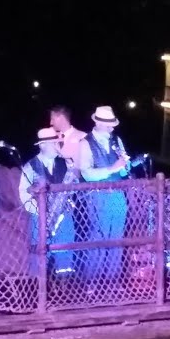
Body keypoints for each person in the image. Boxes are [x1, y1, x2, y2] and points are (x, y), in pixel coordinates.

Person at [76, 106, 132, 280]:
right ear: (98, 123)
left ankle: (112, 281)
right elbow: (86, 173)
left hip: (117, 195)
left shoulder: (117, 141)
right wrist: (111, 168)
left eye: (112, 124)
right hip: (98, 195)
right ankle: (94, 281)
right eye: (109, 124)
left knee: (116, 239)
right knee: (98, 238)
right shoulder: (85, 143)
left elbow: (123, 172)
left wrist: (125, 165)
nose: (112, 127)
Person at [18, 127, 76, 275]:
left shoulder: (65, 163)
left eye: (58, 143)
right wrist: (40, 211)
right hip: (40, 218)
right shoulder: (30, 166)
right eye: (53, 143)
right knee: (39, 253)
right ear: (42, 145)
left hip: (63, 216)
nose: (57, 146)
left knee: (65, 252)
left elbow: (74, 185)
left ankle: (65, 288)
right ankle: (38, 288)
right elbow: (23, 194)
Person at [49, 106, 87, 171]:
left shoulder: (82, 137)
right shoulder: (51, 138)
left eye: (53, 119)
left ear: (61, 118)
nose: (51, 123)